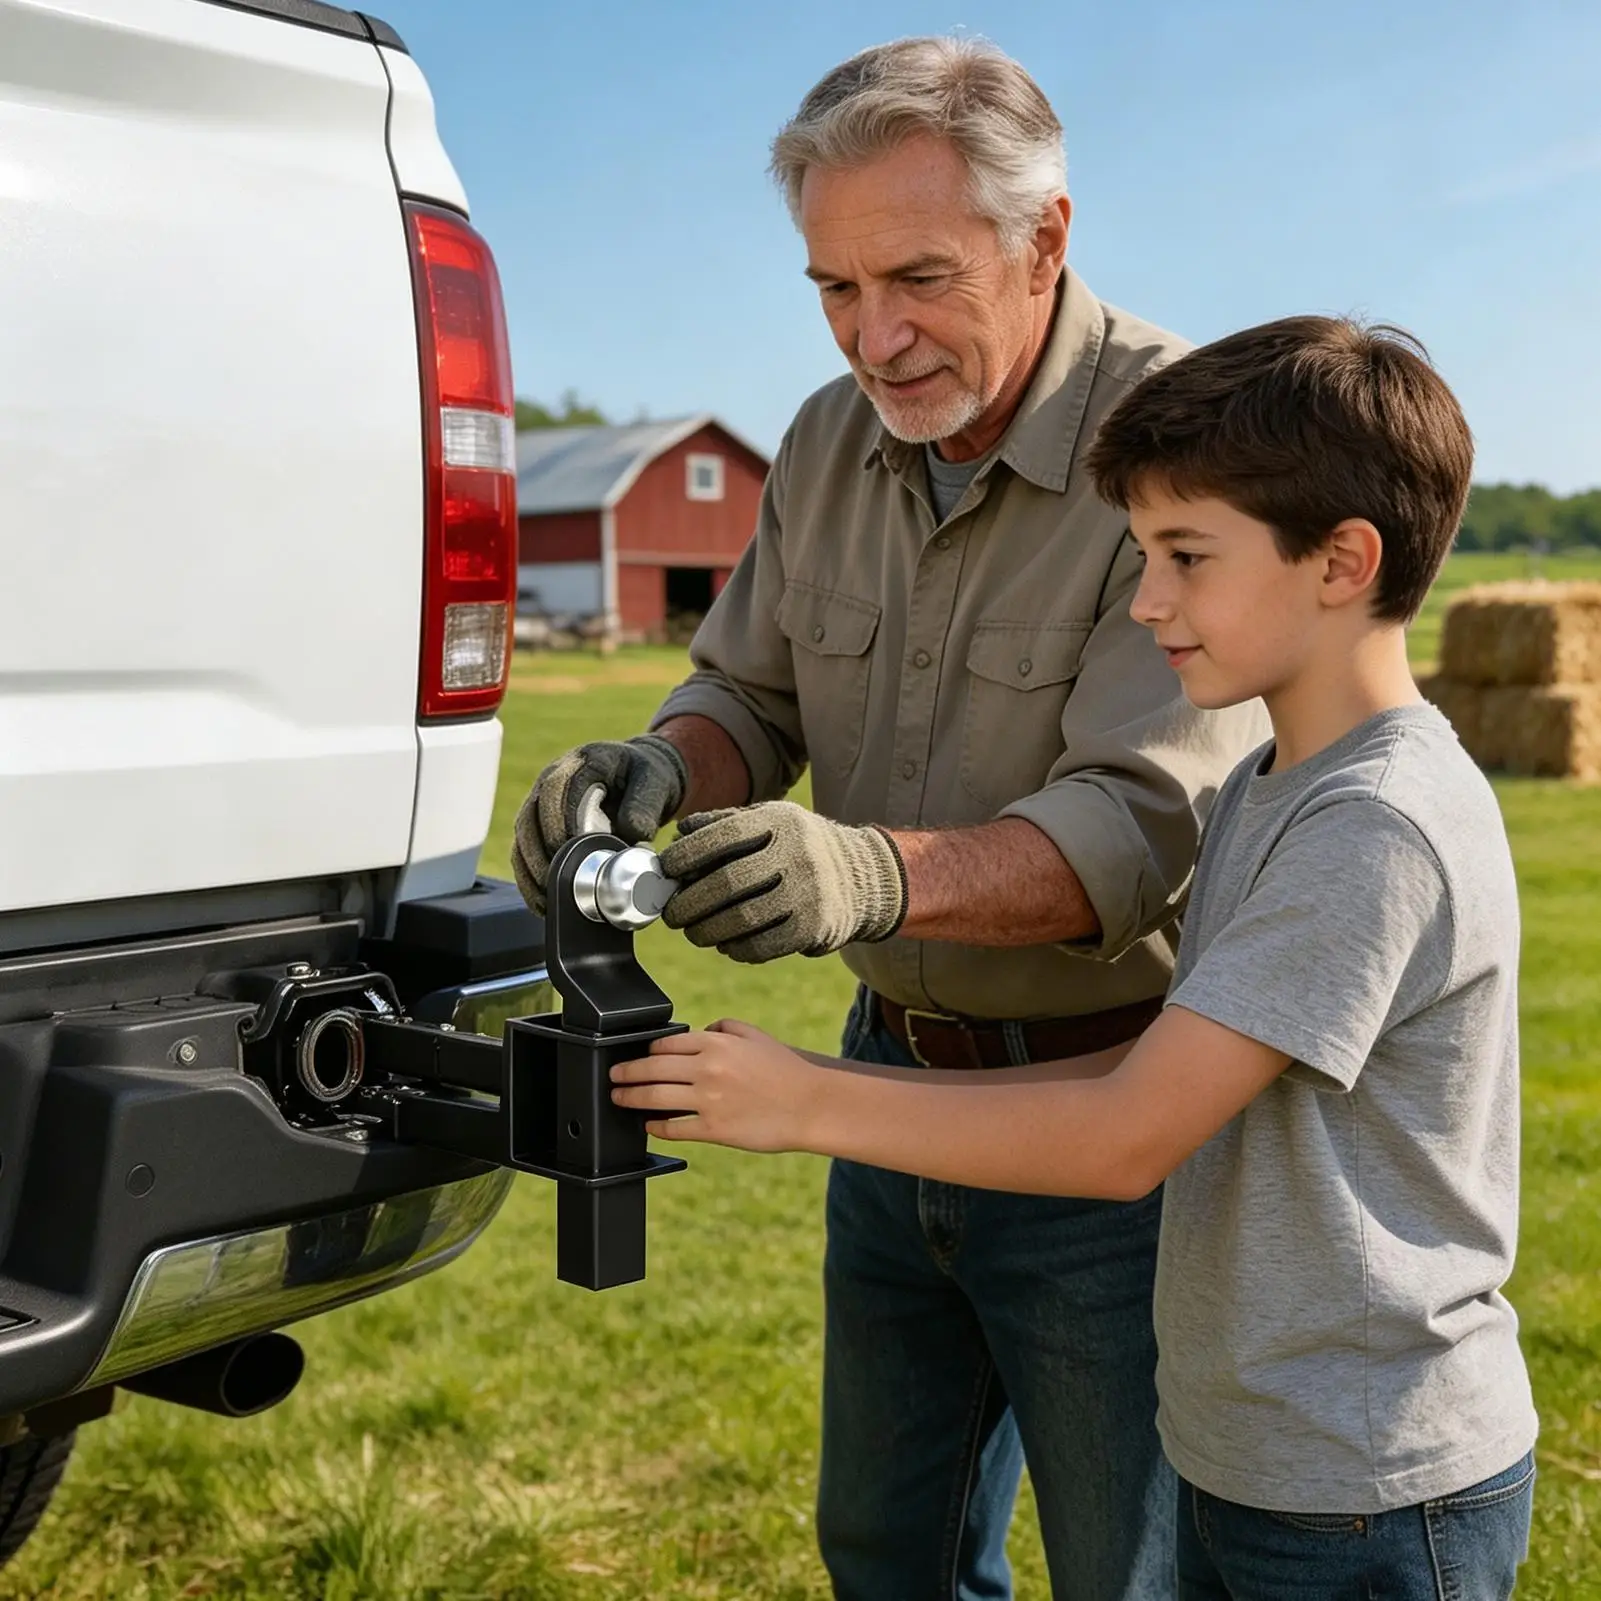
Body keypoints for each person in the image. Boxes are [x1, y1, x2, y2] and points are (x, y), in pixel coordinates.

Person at [611, 315, 1540, 1601]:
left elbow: (1120, 1136)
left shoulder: (1369, 827)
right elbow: (1147, 1082)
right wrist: (793, 1083)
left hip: (1364, 1487)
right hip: (1261, 1453)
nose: (1145, 597)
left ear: (1341, 562)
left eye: (1182, 556)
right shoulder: (1276, 779)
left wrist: (809, 1103)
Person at [514, 37, 1263, 1601]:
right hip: (890, 1087)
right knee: (884, 1548)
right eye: (834, 290)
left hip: (1112, 1114)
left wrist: (863, 875)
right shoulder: (823, 440)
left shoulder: (1185, 450)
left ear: (1046, 235)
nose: (877, 336)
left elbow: (1139, 831)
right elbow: (748, 696)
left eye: (916, 277)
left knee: (1130, 1570)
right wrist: (659, 768)